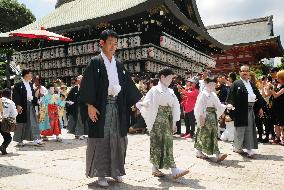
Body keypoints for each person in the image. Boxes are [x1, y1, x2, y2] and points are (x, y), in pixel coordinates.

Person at [79, 29, 142, 187]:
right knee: (101, 139)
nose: (114, 46)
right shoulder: (95, 62)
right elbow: (87, 85)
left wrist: (138, 102)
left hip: (117, 106)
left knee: (118, 139)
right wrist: (89, 105)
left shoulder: (118, 64)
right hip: (101, 106)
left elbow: (128, 85)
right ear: (102, 43)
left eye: (116, 43)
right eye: (110, 43)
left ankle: (116, 171)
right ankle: (101, 174)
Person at [138, 68, 189, 179]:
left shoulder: (170, 91)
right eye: (169, 78)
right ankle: (160, 168)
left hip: (167, 119)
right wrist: (143, 104)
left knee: (167, 143)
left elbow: (175, 106)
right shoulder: (154, 90)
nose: (171, 80)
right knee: (157, 143)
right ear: (162, 77)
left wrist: (174, 122)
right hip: (157, 119)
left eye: (172, 78)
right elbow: (148, 102)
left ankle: (170, 167)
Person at [226, 65, 266, 158]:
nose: (245, 72)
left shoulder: (251, 84)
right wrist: (230, 105)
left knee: (249, 129)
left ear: (249, 73)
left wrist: (260, 107)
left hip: (250, 109)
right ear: (239, 72)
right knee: (240, 129)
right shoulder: (236, 83)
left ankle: (248, 148)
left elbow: (258, 96)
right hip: (240, 109)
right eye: (243, 71)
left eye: (247, 71)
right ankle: (237, 147)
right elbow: (231, 96)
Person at [194, 76, 228, 162]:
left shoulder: (213, 94)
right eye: (210, 84)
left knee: (211, 134)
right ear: (205, 84)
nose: (212, 86)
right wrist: (200, 118)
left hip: (212, 116)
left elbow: (219, 106)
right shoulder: (203, 94)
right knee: (204, 134)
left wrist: (227, 106)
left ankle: (202, 151)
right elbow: (199, 107)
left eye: (214, 84)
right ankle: (215, 153)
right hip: (205, 116)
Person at [12, 69, 43, 146]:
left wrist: (37, 102)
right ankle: (19, 140)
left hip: (30, 104)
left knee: (33, 122)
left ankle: (36, 139)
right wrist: (18, 105)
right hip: (22, 106)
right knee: (21, 123)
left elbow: (32, 95)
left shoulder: (30, 84)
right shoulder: (18, 84)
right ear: (26, 75)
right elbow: (16, 96)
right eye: (30, 74)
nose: (31, 75)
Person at [0, 89, 18, 155]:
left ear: (1, 95)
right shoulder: (11, 102)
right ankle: (3, 147)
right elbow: (14, 114)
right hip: (4, 122)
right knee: (8, 137)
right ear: (10, 96)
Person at [270, 70, 284, 145]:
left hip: (281, 107)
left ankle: (283, 138)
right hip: (275, 107)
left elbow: (276, 95)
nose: (277, 78)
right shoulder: (278, 85)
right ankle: (277, 138)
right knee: (276, 123)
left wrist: (271, 89)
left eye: (279, 77)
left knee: (282, 124)